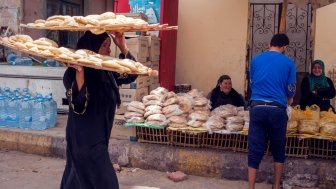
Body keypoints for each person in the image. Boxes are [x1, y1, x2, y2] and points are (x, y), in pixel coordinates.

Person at [60, 31, 137, 189]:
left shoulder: (107, 71)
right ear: (91, 48)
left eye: (109, 45)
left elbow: (132, 73)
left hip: (99, 137)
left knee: (79, 180)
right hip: (83, 140)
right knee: (105, 183)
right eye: (104, 45)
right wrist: (80, 71)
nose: (109, 50)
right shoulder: (71, 74)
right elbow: (78, 104)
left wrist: (122, 45)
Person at [248, 33, 296, 189]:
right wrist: (289, 102)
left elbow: (252, 84)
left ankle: (251, 187)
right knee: (278, 147)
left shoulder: (255, 60)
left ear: (270, 43)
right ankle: (276, 186)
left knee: (255, 148)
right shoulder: (289, 63)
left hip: (257, 108)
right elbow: (290, 90)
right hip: (277, 109)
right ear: (285, 47)